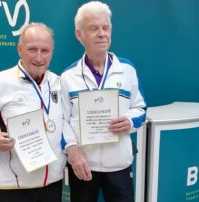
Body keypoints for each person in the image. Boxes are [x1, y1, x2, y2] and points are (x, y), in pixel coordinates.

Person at [0, 22, 65, 202]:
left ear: (52, 51)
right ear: (19, 49)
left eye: (45, 50)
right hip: (15, 186)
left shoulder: (58, 83)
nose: (39, 57)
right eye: (32, 49)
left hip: (53, 183)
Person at [61, 1, 147, 202]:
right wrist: (72, 150)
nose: (101, 33)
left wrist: (130, 121)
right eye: (93, 28)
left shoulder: (127, 70)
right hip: (83, 165)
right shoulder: (68, 76)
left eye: (105, 28)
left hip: (119, 165)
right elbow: (61, 120)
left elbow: (140, 108)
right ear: (79, 35)